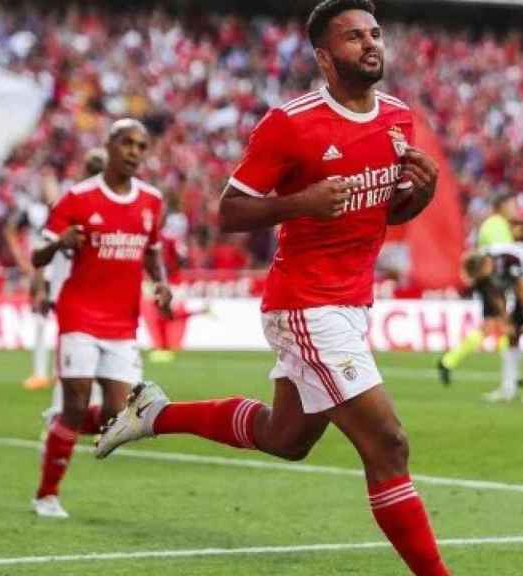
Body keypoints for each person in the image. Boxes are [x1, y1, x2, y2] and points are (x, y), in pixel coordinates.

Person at [96, 2, 450, 574]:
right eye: (354, 36)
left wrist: (420, 197)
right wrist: (300, 203)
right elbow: (229, 211)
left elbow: (383, 213)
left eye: (375, 33)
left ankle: (154, 413)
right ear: (324, 56)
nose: (370, 44)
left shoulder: (398, 118)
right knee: (389, 445)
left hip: (353, 301)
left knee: (286, 437)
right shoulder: (291, 123)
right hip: (307, 304)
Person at [30, 119, 172, 518]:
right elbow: (36, 257)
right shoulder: (77, 198)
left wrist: (161, 284)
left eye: (141, 146)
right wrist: (60, 242)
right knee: (76, 403)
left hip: (122, 323)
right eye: (126, 143)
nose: (134, 152)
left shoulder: (152, 201)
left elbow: (153, 250)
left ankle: (59, 425)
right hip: (79, 316)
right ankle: (46, 495)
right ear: (109, 146)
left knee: (118, 416)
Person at [6, 149, 108, 393]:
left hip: (75, 275)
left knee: (76, 329)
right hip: (51, 270)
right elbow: (19, 234)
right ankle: (42, 372)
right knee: (44, 321)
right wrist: (29, 267)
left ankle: (67, 374)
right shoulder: (44, 209)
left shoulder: (79, 203)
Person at [463, 235, 523, 405]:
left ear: (486, 265)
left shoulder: (507, 260)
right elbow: (496, 295)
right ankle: (507, 389)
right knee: (512, 335)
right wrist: (506, 320)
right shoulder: (483, 265)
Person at [436, 193, 517, 386]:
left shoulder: (495, 224)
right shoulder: (496, 225)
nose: (514, 210)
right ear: (502, 206)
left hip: (490, 280)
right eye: (512, 205)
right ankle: (509, 372)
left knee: (494, 324)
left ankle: (449, 362)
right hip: (491, 280)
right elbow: (498, 255)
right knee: (502, 322)